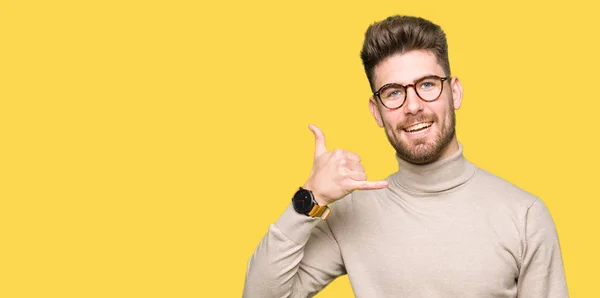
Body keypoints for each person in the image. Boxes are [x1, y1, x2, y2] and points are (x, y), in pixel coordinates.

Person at [242, 15, 568, 298]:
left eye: (427, 85)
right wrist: (310, 198)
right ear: (377, 110)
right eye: (394, 92)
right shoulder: (353, 214)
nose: (413, 106)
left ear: (454, 91)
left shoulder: (524, 216)